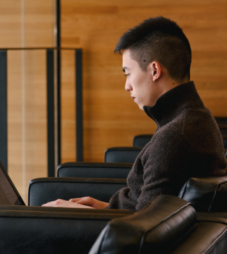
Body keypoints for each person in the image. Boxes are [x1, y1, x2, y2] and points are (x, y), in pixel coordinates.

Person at [42, 16, 227, 210]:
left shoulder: (174, 137)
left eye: (127, 73)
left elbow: (145, 230)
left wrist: (82, 215)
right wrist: (106, 208)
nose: (126, 86)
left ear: (154, 70)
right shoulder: (198, 118)